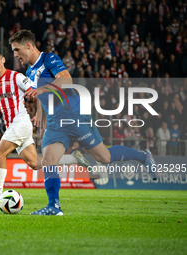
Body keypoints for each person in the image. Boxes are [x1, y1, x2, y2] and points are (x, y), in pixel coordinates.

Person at [9, 30, 158, 215]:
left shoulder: (49, 59)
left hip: (75, 116)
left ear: (28, 45)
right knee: (48, 161)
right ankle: (53, 206)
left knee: (104, 158)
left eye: (16, 49)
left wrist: (39, 91)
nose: (15, 55)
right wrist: (40, 114)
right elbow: (39, 92)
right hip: (56, 122)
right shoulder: (30, 70)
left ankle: (144, 156)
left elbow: (66, 79)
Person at [0, 49, 90, 204]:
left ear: (3, 60)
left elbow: (35, 92)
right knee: (35, 163)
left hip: (21, 122)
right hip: (11, 126)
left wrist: (38, 113)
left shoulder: (16, 77)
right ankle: (74, 158)